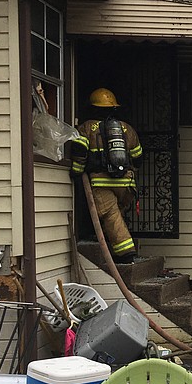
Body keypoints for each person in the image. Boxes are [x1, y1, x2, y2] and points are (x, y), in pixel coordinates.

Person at [71, 88, 143, 263]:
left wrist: (76, 171)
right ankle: (109, 242)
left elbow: (80, 152)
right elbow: (138, 156)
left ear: (93, 108)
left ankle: (126, 254)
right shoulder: (126, 129)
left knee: (111, 216)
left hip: (101, 182)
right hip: (126, 183)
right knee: (116, 215)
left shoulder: (86, 127)